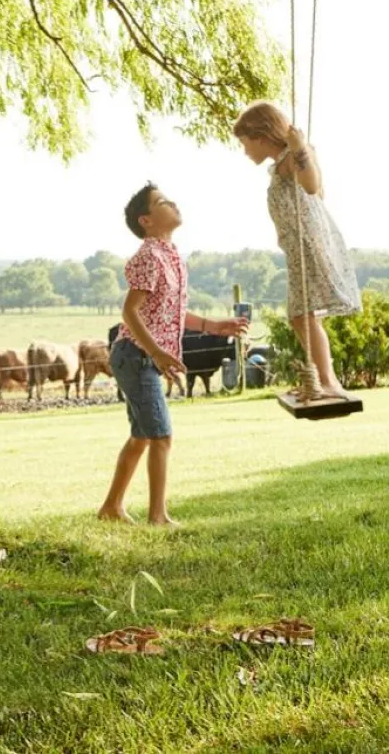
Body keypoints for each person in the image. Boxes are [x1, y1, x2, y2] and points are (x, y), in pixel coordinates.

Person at [97, 183, 249, 526]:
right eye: (162, 201)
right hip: (136, 356)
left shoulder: (171, 256)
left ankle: (111, 508)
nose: (173, 203)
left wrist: (214, 326)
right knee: (161, 436)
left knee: (141, 436)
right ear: (146, 220)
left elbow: (171, 312)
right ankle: (157, 516)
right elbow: (130, 312)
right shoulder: (149, 257)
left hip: (140, 356)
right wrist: (157, 352)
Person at [234, 101, 361, 397]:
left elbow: (313, 186)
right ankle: (322, 379)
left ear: (261, 136)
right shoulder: (283, 162)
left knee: (303, 315)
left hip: (308, 245)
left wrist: (300, 148)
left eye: (245, 142)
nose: (245, 150)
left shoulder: (292, 157)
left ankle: (328, 382)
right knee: (301, 316)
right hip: (297, 249)